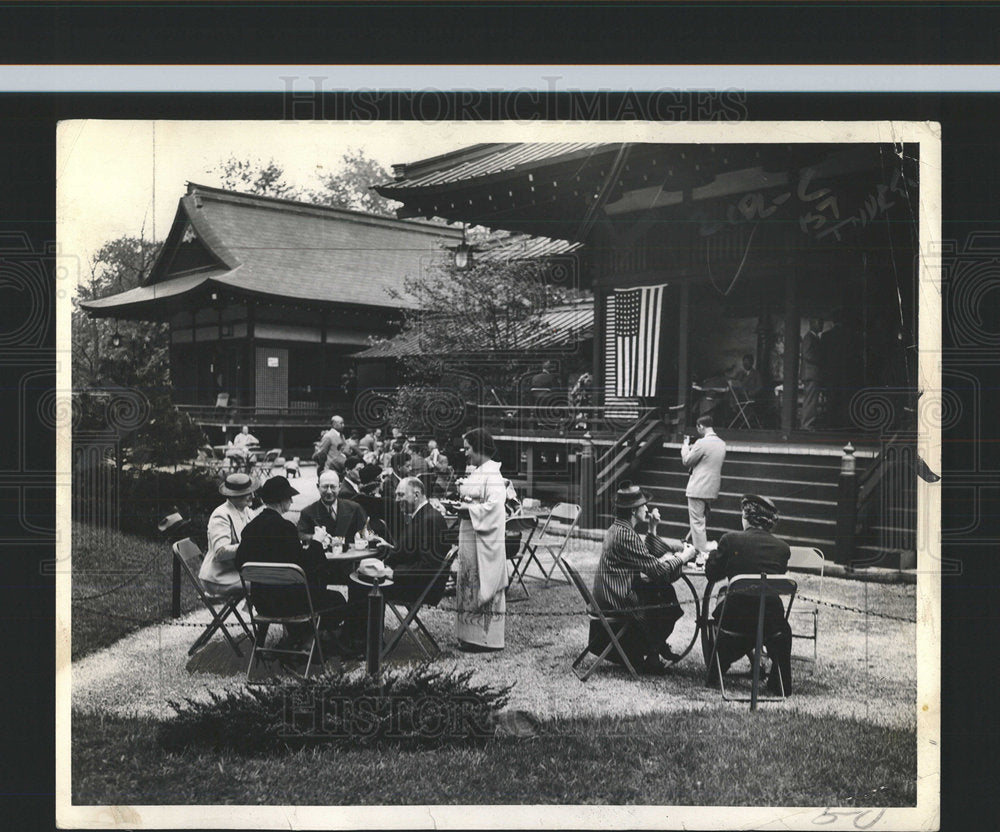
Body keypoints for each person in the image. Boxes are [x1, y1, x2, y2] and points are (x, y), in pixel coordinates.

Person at [589, 483, 700, 675]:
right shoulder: (625, 535)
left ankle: (655, 649)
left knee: (662, 591)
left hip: (611, 594)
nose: (647, 508)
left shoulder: (619, 529)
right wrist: (683, 557)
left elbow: (644, 555)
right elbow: (657, 570)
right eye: (644, 505)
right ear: (634, 510)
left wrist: (652, 528)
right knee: (664, 595)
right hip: (617, 601)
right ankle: (654, 649)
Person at [235, 476, 350, 645]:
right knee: (337, 599)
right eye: (289, 497)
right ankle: (310, 639)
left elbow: (239, 563)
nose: (291, 500)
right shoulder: (285, 527)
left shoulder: (250, 528)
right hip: (291, 604)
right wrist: (317, 541)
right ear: (282, 500)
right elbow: (306, 566)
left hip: (263, 603)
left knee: (316, 588)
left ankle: (301, 637)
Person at [705, 494, 793, 695]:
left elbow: (712, 573)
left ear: (746, 516)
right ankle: (777, 682)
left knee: (718, 607)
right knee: (774, 619)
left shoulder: (730, 540)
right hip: (770, 623)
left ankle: (718, 667)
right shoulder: (782, 549)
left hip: (734, 620)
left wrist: (712, 554)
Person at [455, 428, 508, 651]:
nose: (465, 453)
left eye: (468, 448)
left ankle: (485, 639)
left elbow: (494, 508)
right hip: (470, 535)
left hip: (483, 538)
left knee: (478, 584)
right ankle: (467, 635)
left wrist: (469, 508)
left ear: (478, 447)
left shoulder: (493, 474)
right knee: (467, 582)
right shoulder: (480, 471)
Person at [361, 477, 451, 604]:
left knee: (361, 584)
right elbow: (416, 552)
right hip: (414, 583)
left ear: (416, 495)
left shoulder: (429, 520)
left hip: (418, 589)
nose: (397, 500)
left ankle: (360, 624)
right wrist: (391, 547)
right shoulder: (423, 515)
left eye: (401, 495)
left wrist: (393, 573)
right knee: (363, 576)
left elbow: (429, 566)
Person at [296, 469, 369, 584]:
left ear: (340, 487)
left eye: (333, 487)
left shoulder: (354, 508)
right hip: (322, 570)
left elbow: (366, 533)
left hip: (351, 568)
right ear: (318, 487)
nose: (329, 491)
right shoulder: (308, 512)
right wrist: (316, 537)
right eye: (325, 487)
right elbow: (300, 535)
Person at [199, 472, 256, 594]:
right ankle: (260, 613)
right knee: (267, 584)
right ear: (233, 495)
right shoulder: (221, 515)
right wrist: (251, 546)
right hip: (219, 577)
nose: (252, 496)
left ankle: (259, 612)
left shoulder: (248, 512)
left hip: (238, 572)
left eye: (252, 491)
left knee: (272, 578)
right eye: (247, 493)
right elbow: (221, 552)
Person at [680, 415, 727, 558]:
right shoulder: (721, 443)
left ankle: (701, 555)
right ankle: (696, 545)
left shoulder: (702, 442)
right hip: (712, 488)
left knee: (697, 521)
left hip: (698, 487)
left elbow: (687, 461)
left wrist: (685, 447)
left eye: (698, 427)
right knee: (701, 519)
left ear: (701, 426)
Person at [800, 317, 824, 430]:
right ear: (812, 324)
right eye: (819, 322)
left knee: (811, 400)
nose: (821, 325)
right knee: (810, 400)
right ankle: (807, 424)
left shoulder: (814, 337)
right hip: (811, 374)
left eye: (822, 322)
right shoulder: (809, 337)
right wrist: (822, 360)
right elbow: (807, 355)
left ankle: (808, 423)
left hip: (813, 374)